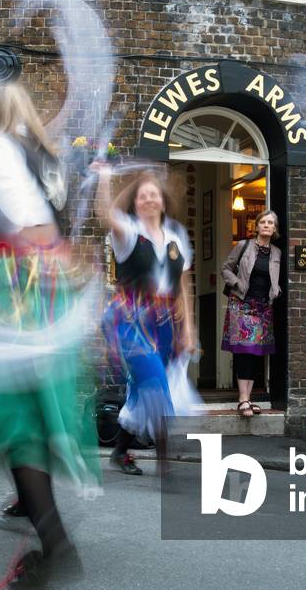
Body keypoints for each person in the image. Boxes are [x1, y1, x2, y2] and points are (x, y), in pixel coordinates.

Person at [0, 83, 99, 585]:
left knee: (16, 414)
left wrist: (34, 251)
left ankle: (58, 547)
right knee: (39, 407)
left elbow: (27, 217)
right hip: (47, 286)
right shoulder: (45, 158)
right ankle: (36, 512)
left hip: (20, 286)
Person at [93, 165, 197, 476]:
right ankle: (165, 462)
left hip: (164, 324)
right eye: (143, 195)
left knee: (143, 390)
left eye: (154, 194)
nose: (150, 199)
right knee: (156, 381)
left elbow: (184, 286)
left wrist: (188, 329)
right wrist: (105, 178)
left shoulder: (176, 237)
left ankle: (120, 451)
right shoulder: (128, 232)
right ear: (136, 203)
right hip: (129, 321)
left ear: (162, 202)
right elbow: (105, 214)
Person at [220, 210, 282, 417]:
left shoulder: (276, 253)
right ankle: (243, 399)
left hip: (263, 307)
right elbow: (226, 268)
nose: (266, 225)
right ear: (256, 226)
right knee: (244, 351)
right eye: (263, 222)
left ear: (274, 228)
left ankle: (249, 398)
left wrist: (277, 290)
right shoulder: (243, 246)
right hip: (242, 304)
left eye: (270, 222)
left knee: (257, 352)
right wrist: (237, 283)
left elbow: (275, 277)